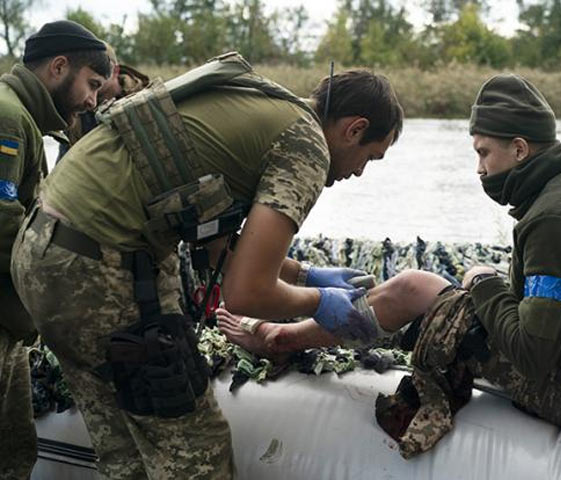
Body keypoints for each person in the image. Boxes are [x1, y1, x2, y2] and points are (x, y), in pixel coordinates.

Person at [218, 73, 561, 450]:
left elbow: (533, 353)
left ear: (519, 149)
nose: (478, 169)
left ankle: (279, 338)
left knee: (416, 290)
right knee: (415, 291)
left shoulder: (557, 218)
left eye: (483, 153)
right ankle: (285, 334)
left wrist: (484, 284)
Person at [11, 51, 403, 478]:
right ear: (355, 129)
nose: (361, 172)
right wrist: (320, 302)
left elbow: (219, 247)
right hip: (100, 271)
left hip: (41, 256)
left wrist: (303, 275)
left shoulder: (259, 106)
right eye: (371, 157)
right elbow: (245, 293)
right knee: (198, 452)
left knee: (124, 450)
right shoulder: (306, 146)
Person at [0, 20, 110, 479]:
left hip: (9, 321)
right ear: (59, 67)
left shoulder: (23, 117)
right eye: (92, 84)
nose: (92, 100)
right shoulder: (7, 118)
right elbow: (3, 220)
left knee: (15, 449)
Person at [57, 42, 149, 159]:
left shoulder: (142, 99)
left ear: (115, 71)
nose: (95, 73)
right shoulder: (77, 110)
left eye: (102, 69)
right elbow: (64, 163)